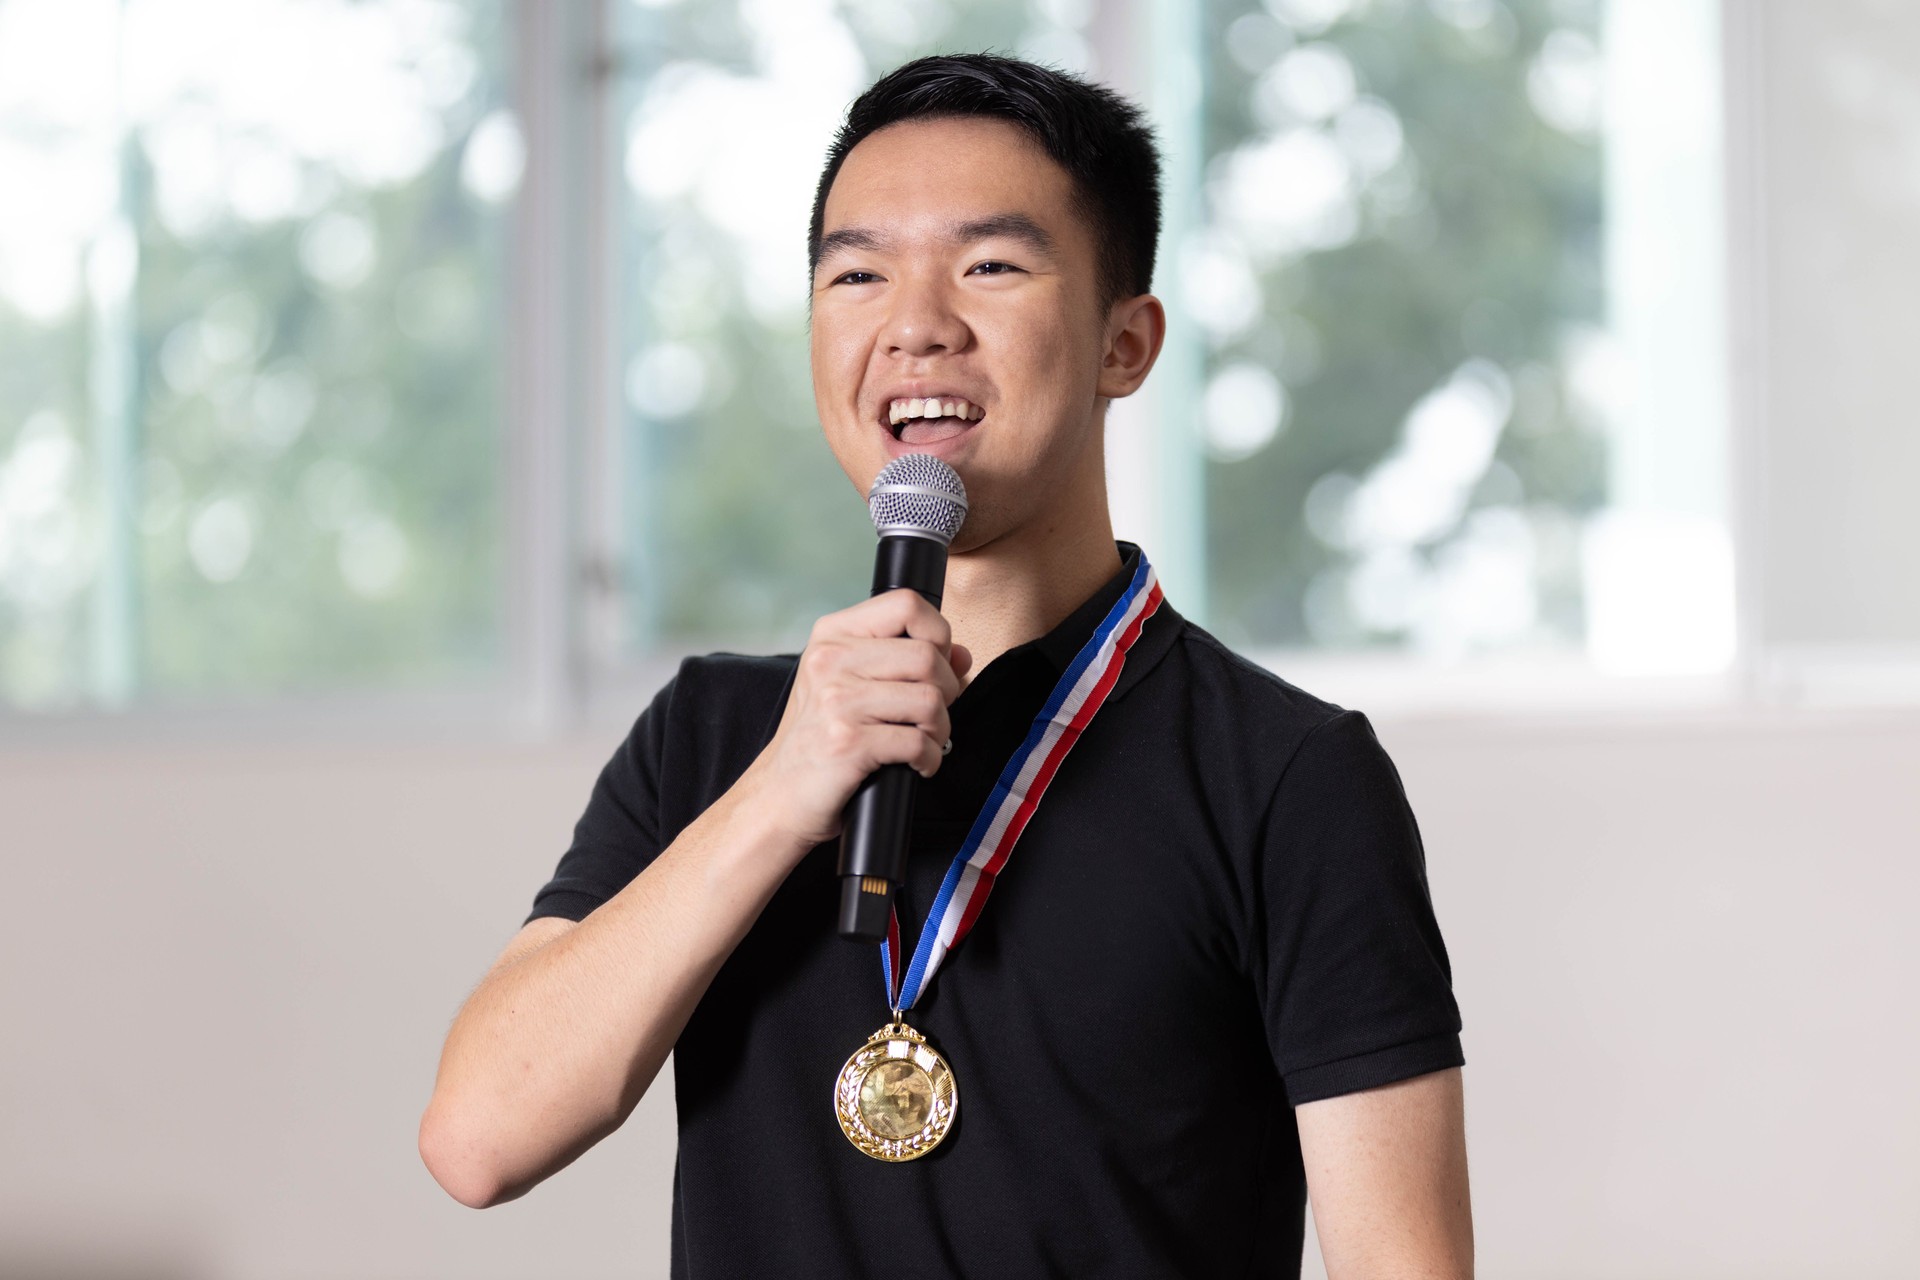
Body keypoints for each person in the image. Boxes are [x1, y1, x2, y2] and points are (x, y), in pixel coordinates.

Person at [420, 53, 1472, 1279]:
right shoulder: (714, 733)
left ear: (1124, 344)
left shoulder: (1287, 774)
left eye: (990, 265)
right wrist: (782, 788)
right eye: (858, 273)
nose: (915, 324)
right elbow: (478, 1138)